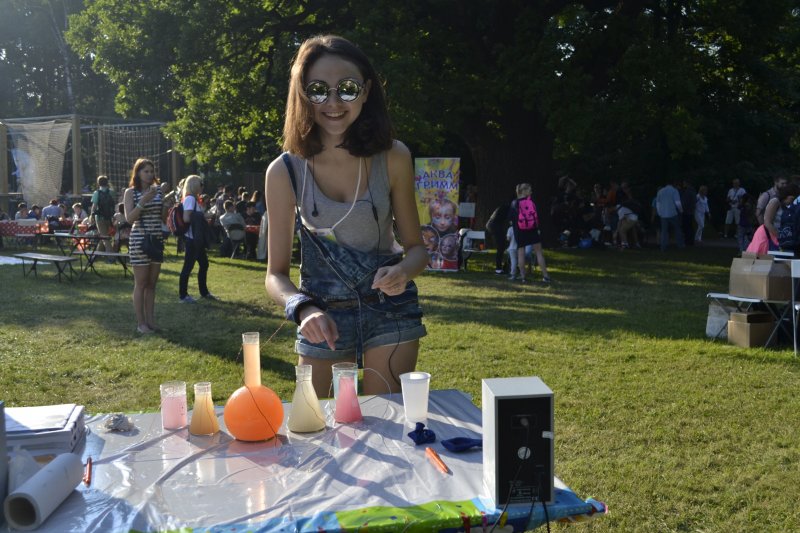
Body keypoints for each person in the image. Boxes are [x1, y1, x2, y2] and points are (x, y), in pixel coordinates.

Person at [265, 35, 428, 398]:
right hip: (321, 318)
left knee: (386, 423)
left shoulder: (394, 157)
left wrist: (403, 271)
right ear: (303, 94)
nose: (334, 102)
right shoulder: (284, 171)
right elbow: (275, 274)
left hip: (390, 312)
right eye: (319, 90)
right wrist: (303, 309)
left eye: (348, 89)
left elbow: (417, 250)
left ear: (367, 91)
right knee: (316, 430)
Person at [124, 158, 169, 334]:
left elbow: (163, 218)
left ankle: (151, 321)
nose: (150, 175)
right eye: (146, 171)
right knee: (141, 283)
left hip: (156, 239)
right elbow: (129, 218)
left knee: (152, 284)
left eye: (152, 171)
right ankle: (141, 323)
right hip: (139, 240)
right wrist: (143, 200)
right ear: (138, 173)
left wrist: (165, 202)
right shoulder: (131, 192)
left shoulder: (157, 192)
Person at [178, 175, 217, 303]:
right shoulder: (190, 199)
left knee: (204, 264)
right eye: (201, 184)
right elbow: (186, 218)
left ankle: (204, 292)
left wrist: (205, 215)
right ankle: (183, 296)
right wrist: (201, 216)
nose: (202, 186)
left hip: (196, 238)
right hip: (192, 239)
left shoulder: (193, 199)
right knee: (188, 267)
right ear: (195, 185)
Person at [509, 183, 550, 283]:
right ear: (524, 191)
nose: (531, 192)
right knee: (539, 253)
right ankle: (545, 276)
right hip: (532, 230)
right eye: (529, 190)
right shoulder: (531, 202)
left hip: (520, 231)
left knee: (521, 254)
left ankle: (523, 277)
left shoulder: (514, 203)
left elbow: (511, 219)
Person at [655, 180, 684, 251]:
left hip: (663, 214)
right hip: (673, 213)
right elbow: (677, 202)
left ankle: (663, 247)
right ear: (673, 184)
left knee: (664, 231)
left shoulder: (660, 191)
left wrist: (659, 212)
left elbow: (658, 203)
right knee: (677, 229)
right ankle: (680, 245)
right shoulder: (674, 191)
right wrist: (681, 210)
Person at [91, 175, 115, 252]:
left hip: (99, 217)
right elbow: (113, 204)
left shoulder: (96, 193)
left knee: (105, 238)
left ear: (98, 183)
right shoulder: (111, 192)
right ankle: (98, 254)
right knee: (104, 235)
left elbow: (94, 206)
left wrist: (91, 215)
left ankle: (111, 257)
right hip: (109, 217)